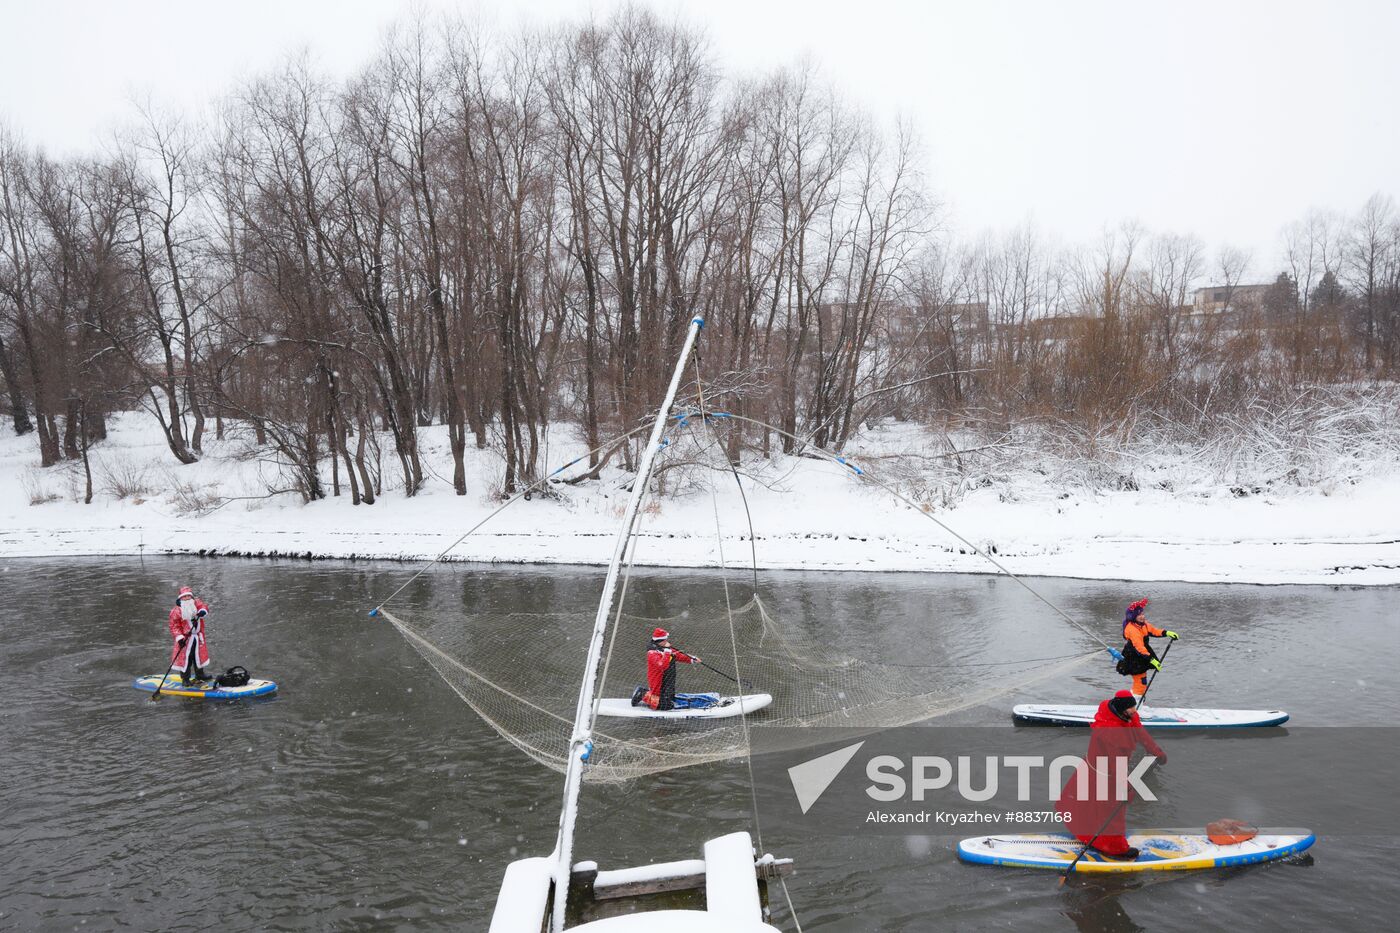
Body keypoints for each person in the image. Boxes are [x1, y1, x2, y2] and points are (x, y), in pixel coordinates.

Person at [1055, 689, 1167, 860]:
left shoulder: (1124, 715)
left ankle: (1089, 837)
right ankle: (1114, 848)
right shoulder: (1112, 733)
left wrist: (1156, 751)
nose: (1134, 711)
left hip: (1095, 768)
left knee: (1089, 808)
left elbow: (1139, 732)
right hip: (1103, 774)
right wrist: (1125, 789)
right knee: (1112, 811)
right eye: (1131, 708)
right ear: (1122, 709)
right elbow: (1117, 765)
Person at [630, 628, 716, 711]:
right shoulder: (652, 653)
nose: (667, 642)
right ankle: (642, 694)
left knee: (670, 699)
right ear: (659, 641)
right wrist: (667, 651)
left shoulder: (665, 649)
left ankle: (656, 697)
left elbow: (678, 655)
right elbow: (662, 665)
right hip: (660, 685)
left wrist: (691, 659)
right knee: (666, 706)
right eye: (665, 640)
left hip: (668, 682)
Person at [1115, 598, 1178, 704]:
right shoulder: (1132, 630)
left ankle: (1134, 703)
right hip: (1134, 656)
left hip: (1142, 655)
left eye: (1142, 613)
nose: (1142, 616)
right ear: (1133, 617)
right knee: (1140, 682)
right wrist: (1152, 660)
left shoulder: (1143, 624)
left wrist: (1166, 633)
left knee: (1141, 681)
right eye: (1139, 614)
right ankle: (1134, 706)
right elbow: (1140, 648)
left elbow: (1153, 631)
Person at [168, 586, 211, 685]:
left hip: (197, 637)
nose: (187, 598)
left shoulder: (196, 603)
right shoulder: (176, 611)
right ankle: (185, 679)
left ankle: (200, 674)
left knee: (198, 657)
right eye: (184, 597)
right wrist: (179, 638)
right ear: (180, 598)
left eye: (188, 596)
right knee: (186, 659)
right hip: (185, 639)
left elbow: (204, 606)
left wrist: (203, 611)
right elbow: (174, 626)